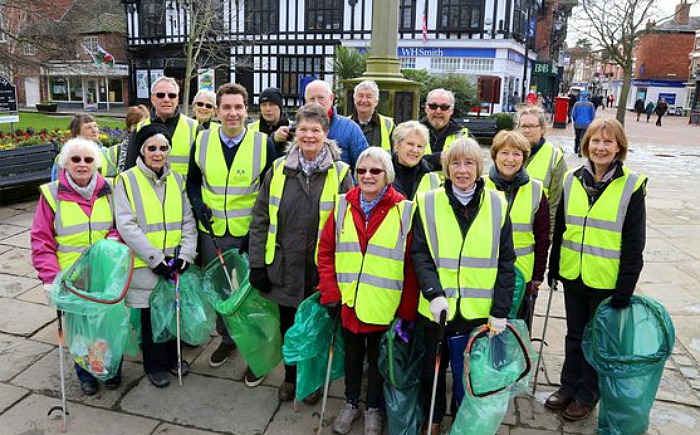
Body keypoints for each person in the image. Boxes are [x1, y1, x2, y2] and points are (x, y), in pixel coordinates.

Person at [248, 103, 353, 404]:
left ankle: (313, 380)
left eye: (315, 130)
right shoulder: (279, 169)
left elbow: (351, 225)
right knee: (289, 325)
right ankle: (291, 378)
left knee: (318, 329)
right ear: (296, 131)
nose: (309, 136)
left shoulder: (341, 172)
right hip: (283, 266)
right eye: (304, 129)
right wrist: (257, 265)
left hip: (321, 270)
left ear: (325, 133)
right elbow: (260, 219)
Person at [411, 138, 515, 434]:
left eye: (469, 163)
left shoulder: (497, 204)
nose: (462, 170)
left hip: (477, 311)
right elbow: (420, 253)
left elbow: (507, 262)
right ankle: (432, 417)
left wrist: (500, 310)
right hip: (437, 309)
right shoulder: (428, 202)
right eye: (455, 163)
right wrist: (433, 293)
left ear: (480, 167)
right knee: (432, 369)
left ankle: (462, 419)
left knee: (468, 374)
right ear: (446, 168)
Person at [545, 118, 647, 421]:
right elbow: (562, 227)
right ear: (586, 144)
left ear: (619, 148)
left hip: (607, 279)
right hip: (574, 273)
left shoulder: (631, 185)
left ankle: (588, 393)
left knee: (597, 340)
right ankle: (568, 386)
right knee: (574, 335)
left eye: (608, 142)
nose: (600, 148)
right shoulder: (572, 179)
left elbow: (634, 242)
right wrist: (554, 267)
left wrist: (625, 288)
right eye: (595, 141)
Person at [318, 147, 419, 435]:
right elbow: (325, 251)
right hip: (349, 301)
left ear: (388, 175)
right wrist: (330, 292)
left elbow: (412, 267)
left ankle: (373, 407)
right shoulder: (341, 206)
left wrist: (407, 312)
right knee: (351, 356)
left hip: (384, 305)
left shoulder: (405, 211)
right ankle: (351, 403)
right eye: (361, 171)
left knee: (378, 361)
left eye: (375, 171)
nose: (367, 176)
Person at [186, 83, 276, 383]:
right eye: (226, 107)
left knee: (252, 297)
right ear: (217, 111)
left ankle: (257, 352)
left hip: (249, 234)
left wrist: (256, 232)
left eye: (238, 107)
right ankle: (227, 340)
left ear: (246, 109)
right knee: (222, 293)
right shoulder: (202, 140)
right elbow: (193, 181)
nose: (232, 113)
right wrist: (197, 203)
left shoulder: (263, 143)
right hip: (212, 233)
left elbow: (270, 192)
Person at [31, 138, 122, 396]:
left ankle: (111, 367)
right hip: (72, 276)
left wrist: (114, 239)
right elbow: (41, 239)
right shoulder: (52, 194)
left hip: (106, 273)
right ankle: (87, 372)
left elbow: (121, 225)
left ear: (97, 164)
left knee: (109, 323)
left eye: (88, 159)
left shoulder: (112, 189)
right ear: (65, 163)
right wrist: (50, 279)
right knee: (81, 328)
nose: (82, 164)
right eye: (76, 159)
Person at [114, 124, 197, 389]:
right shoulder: (127, 180)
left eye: (163, 148)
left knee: (174, 314)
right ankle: (155, 364)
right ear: (142, 150)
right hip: (146, 264)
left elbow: (187, 219)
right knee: (151, 319)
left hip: (173, 261)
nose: (158, 153)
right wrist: (154, 259)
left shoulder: (177, 179)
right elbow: (126, 225)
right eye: (152, 148)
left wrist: (186, 253)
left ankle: (174, 358)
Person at [485, 131, 550, 327]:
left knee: (516, 328)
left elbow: (543, 237)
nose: (510, 159)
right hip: (484, 269)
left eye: (517, 154)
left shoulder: (537, 190)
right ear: (495, 155)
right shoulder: (480, 185)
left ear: (524, 158)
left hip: (521, 272)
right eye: (504, 153)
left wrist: (538, 275)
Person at [125, 76, 199, 176]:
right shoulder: (139, 129)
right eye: (160, 95)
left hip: (181, 190)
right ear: (152, 99)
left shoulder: (195, 129)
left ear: (177, 99)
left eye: (172, 95)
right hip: (148, 190)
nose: (166, 99)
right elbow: (130, 170)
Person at [518, 106, 567, 228]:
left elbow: (556, 202)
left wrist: (548, 235)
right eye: (523, 126)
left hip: (537, 231)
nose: (527, 130)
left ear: (542, 129)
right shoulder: (509, 155)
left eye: (532, 126)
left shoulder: (554, 158)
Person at [304, 79, 368, 169]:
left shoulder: (350, 128)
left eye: (321, 98)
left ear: (331, 98)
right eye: (311, 99)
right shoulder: (296, 129)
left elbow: (365, 166)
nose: (316, 103)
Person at [391, 120, 441, 200]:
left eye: (420, 146)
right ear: (397, 145)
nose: (415, 150)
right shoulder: (381, 172)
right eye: (410, 144)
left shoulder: (432, 178)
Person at [420, 88, 469, 169]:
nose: (438, 111)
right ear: (426, 108)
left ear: (451, 111)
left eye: (444, 107)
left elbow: (471, 165)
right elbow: (404, 162)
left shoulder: (463, 135)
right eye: (433, 106)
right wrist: (438, 158)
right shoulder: (412, 132)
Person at [349, 80, 395, 151]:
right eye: (360, 96)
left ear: (376, 101)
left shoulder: (389, 125)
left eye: (369, 96)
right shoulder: (345, 124)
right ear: (354, 100)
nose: (364, 100)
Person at [105, 105, 150, 176]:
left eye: (142, 125)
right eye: (135, 126)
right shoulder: (117, 150)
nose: (139, 129)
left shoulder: (154, 148)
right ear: (129, 128)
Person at [249, 87, 292, 156]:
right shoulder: (250, 129)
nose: (268, 109)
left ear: (280, 107)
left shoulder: (292, 128)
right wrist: (274, 139)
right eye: (263, 105)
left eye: (272, 104)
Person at [571, 92, 596, 157]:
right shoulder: (590, 105)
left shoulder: (577, 104)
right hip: (586, 124)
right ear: (587, 96)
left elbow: (573, 114)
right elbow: (592, 115)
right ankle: (580, 151)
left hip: (577, 124)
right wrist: (590, 121)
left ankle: (576, 148)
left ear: (581, 96)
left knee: (577, 136)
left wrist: (575, 120)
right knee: (583, 137)